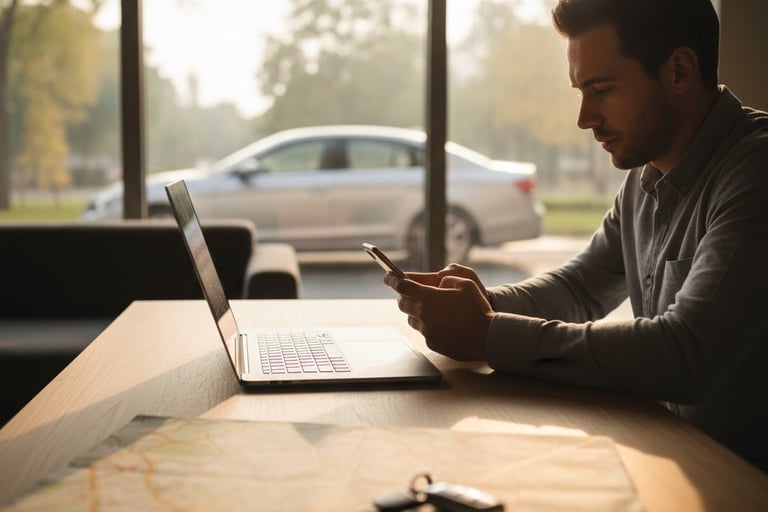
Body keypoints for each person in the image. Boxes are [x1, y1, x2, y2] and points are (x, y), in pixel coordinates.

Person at [384, 0, 768, 470]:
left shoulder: (756, 172)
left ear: (680, 71)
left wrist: (487, 334)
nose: (585, 118)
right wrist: (475, 303)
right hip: (685, 460)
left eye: (602, 89)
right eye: (581, 92)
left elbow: (687, 355)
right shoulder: (646, 176)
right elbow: (581, 286)